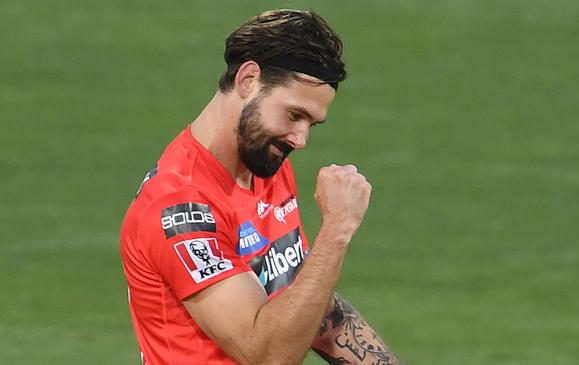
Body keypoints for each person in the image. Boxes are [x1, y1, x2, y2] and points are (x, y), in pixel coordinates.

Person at [120, 9, 400, 365]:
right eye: (295, 115)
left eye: (312, 124)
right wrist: (336, 231)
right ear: (249, 79)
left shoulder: (265, 163)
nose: (300, 140)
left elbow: (304, 298)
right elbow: (268, 355)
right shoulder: (180, 208)